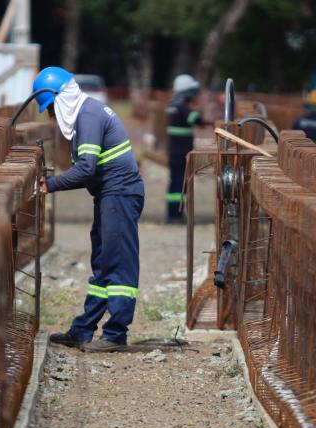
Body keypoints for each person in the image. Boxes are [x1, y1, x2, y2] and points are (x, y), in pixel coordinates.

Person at [35, 67, 145, 353]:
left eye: (50, 109)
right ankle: (83, 330)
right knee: (103, 260)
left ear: (61, 98)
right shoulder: (86, 114)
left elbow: (86, 168)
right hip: (110, 196)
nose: (51, 117)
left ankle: (115, 335)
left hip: (120, 195)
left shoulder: (88, 116)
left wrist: (51, 184)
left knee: (119, 264)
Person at [165, 74, 202, 223]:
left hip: (174, 152)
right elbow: (196, 120)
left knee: (174, 182)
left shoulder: (171, 106)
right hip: (182, 153)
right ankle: (176, 215)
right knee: (180, 183)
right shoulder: (182, 108)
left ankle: (172, 213)